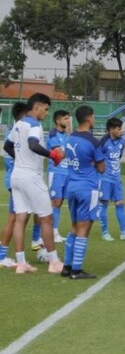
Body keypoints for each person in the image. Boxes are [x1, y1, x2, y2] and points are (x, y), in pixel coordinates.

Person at [3, 93, 64, 274]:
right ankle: (54, 261)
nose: (46, 113)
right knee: (47, 217)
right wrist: (52, 155)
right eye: (45, 109)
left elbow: (7, 146)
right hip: (31, 177)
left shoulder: (19, 124)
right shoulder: (34, 125)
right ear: (37, 107)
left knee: (21, 218)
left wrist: (20, 159)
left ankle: (21, 263)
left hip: (17, 176)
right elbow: (32, 144)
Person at [61, 105, 105, 279]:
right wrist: (94, 164)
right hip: (87, 188)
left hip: (71, 186)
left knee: (74, 225)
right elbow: (101, 168)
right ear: (89, 118)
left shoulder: (70, 138)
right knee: (84, 227)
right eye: (93, 117)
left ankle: (67, 265)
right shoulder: (93, 142)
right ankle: (76, 270)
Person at [0, 102, 28, 268]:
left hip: (14, 178)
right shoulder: (17, 133)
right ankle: (2, 255)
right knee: (14, 218)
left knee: (21, 217)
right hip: (16, 179)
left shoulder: (14, 131)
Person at [98, 117, 125, 241]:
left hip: (117, 178)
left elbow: (119, 156)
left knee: (120, 203)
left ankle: (124, 232)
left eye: (121, 128)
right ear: (111, 129)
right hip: (105, 178)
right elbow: (97, 159)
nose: (121, 131)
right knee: (104, 204)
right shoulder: (103, 142)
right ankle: (105, 232)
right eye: (118, 129)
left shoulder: (122, 142)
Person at [47, 109, 71, 244]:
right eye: (65, 118)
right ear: (58, 121)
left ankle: (55, 231)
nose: (68, 121)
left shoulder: (66, 135)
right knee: (55, 202)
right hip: (56, 172)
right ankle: (51, 232)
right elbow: (60, 153)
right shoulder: (52, 134)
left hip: (66, 172)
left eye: (68, 118)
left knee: (60, 203)